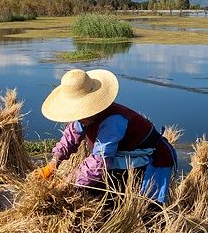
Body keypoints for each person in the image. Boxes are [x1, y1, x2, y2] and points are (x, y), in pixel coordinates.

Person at [40, 68, 177, 204]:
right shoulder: (84, 117)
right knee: (100, 196)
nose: (79, 117)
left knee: (146, 207)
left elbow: (100, 162)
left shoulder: (113, 121)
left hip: (151, 160)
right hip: (121, 157)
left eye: (81, 111)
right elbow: (71, 136)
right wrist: (53, 162)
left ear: (93, 103)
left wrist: (67, 182)